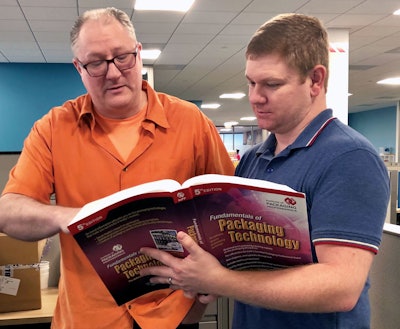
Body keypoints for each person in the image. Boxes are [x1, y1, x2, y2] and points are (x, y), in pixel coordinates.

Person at [139, 13, 390, 329]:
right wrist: (200, 272)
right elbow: (248, 261)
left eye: (272, 84)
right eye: (251, 83)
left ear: (315, 80)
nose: (256, 97)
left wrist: (222, 281)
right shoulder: (254, 158)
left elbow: (340, 286)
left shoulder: (349, 158)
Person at [0, 7, 234, 329]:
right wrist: (76, 218)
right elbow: (9, 211)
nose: (113, 73)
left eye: (122, 57)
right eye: (96, 63)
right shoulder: (53, 128)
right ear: (78, 68)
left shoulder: (190, 122)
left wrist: (216, 274)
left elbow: (228, 208)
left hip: (174, 314)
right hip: (88, 317)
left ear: (138, 54)